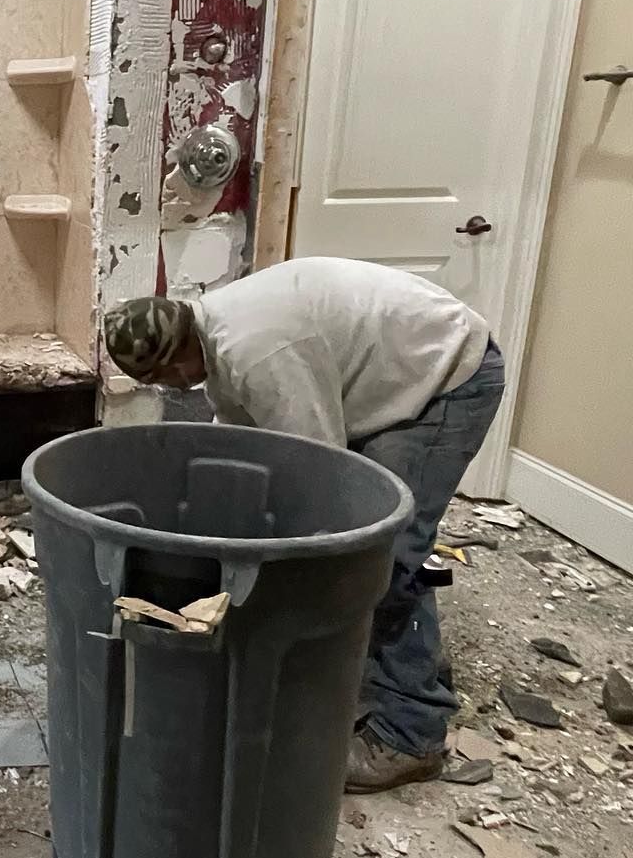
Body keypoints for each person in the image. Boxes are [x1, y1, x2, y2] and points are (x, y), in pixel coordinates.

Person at [104, 257, 505, 794]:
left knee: (382, 553)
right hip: (391, 366)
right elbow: (248, 445)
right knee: (365, 553)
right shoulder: (217, 334)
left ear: (182, 336)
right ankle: (404, 668)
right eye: (161, 382)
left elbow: (318, 471)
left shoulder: (257, 350)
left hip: (446, 375)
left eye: (174, 372)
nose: (178, 384)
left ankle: (411, 732)